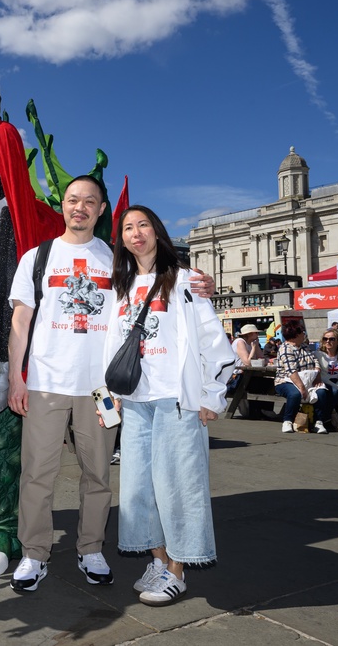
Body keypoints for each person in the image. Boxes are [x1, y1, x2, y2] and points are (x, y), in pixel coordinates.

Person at [101, 205, 234, 607]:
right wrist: (106, 403)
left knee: (179, 486)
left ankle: (177, 570)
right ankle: (158, 561)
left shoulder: (185, 280)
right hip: (135, 403)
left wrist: (212, 396)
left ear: (157, 232)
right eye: (127, 227)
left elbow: (213, 341)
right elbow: (108, 349)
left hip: (176, 400)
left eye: (143, 225)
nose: (136, 233)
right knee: (138, 489)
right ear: (121, 238)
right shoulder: (120, 286)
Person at [6, 175, 117, 592]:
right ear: (63, 206)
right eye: (73, 200)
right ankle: (34, 554)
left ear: (101, 209)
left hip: (101, 388)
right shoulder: (37, 258)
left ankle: (91, 548)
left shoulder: (116, 260)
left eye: (90, 201)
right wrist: (18, 377)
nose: (80, 207)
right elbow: (20, 321)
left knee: (98, 474)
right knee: (37, 473)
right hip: (46, 380)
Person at [273, 319, 334, 434]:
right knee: (295, 394)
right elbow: (291, 370)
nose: (304, 335)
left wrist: (317, 376)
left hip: (308, 380)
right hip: (286, 381)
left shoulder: (305, 346)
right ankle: (288, 421)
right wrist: (302, 387)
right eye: (302, 332)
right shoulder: (285, 348)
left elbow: (314, 360)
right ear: (296, 335)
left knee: (322, 392)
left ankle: (319, 422)